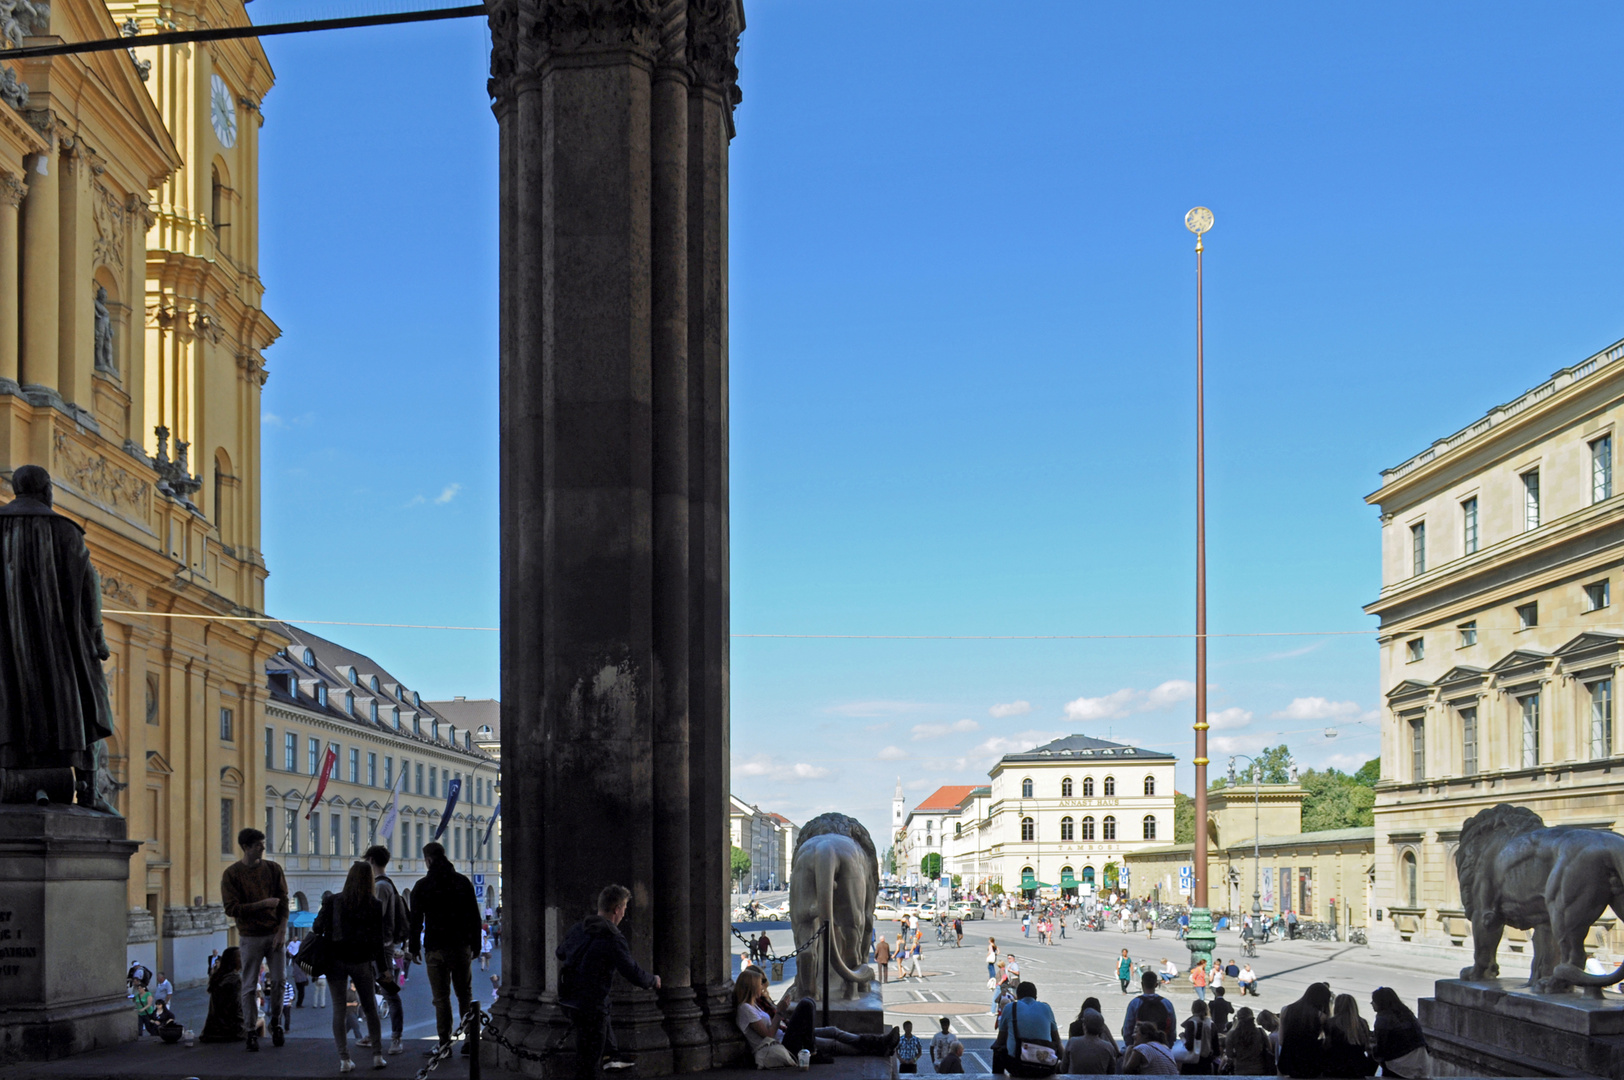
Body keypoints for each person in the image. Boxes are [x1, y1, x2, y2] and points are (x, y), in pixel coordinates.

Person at [558, 884, 660, 1080]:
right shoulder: (612, 937)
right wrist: (653, 980)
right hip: (591, 1005)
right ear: (617, 909)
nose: (624, 914)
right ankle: (609, 1056)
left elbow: (561, 952)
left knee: (585, 1051)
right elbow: (632, 971)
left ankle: (612, 1053)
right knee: (589, 1064)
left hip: (569, 999)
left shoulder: (578, 928)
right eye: (624, 909)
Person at [731, 967, 897, 1066]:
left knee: (832, 1030)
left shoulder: (755, 1005)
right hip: (782, 1045)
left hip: (785, 1035)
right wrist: (780, 1012)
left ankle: (880, 1043)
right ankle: (812, 1051)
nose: (763, 987)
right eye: (760, 983)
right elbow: (768, 1035)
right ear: (752, 986)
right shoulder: (745, 1009)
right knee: (808, 1008)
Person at [314, 861, 388, 1073]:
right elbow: (378, 942)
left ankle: (344, 1059)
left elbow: (317, 927)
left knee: (339, 1009)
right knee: (370, 1008)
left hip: (335, 961)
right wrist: (384, 969)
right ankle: (377, 1055)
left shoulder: (333, 901)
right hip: (361, 962)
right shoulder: (374, 905)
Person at [410, 841, 482, 1056]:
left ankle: (444, 1043)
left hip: (436, 948)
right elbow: (474, 917)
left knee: (441, 999)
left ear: (428, 860)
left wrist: (413, 947)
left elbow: (416, 921)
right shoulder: (462, 882)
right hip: (461, 947)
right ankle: (470, 1040)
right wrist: (476, 944)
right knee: (464, 995)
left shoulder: (422, 886)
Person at [220, 826, 289, 1051]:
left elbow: (284, 901)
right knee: (249, 985)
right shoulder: (232, 874)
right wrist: (263, 904)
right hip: (250, 937)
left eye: (262, 843)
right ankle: (250, 1029)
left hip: (274, 934)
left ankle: (276, 1022)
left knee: (279, 980)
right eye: (258, 844)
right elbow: (231, 909)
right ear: (246, 847)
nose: (262, 847)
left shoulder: (273, 869)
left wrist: (282, 930)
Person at [364, 845, 410, 1055]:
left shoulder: (381, 886)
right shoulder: (384, 884)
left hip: (381, 949)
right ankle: (374, 1034)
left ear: (371, 860)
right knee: (373, 991)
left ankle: (396, 1037)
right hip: (379, 947)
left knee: (388, 992)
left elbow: (374, 917)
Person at [993, 980, 1061, 1078]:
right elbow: (1057, 1039)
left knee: (997, 1048)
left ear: (1017, 996)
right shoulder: (1046, 1008)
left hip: (1018, 1065)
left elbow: (1000, 1039)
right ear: (1036, 997)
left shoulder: (1010, 1007)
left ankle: (996, 1077)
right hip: (1044, 1066)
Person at [1275, 982, 1333, 1079]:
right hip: (1310, 1064)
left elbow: (1281, 1041)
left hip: (1288, 1061)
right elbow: (1327, 1042)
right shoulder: (1321, 1016)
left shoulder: (1286, 1010)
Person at [1370, 987, 1430, 1079]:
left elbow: (1381, 1048)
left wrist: (1371, 1049)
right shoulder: (1407, 1014)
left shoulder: (1383, 1018)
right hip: (1422, 1061)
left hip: (1402, 1066)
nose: (1371, 1003)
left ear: (1380, 1003)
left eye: (1373, 1001)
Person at [1321, 994, 1376, 1078]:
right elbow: (1366, 1045)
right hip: (1358, 1067)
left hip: (1335, 1066)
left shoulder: (1330, 1023)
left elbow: (1327, 1045)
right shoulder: (1362, 1023)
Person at [1121, 970, 1177, 1048]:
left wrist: (1131, 1045)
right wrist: (1168, 1045)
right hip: (1161, 1044)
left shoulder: (1135, 1003)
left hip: (1140, 1046)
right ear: (1156, 985)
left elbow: (1128, 1027)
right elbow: (1172, 1028)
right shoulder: (1167, 1003)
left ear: (1142, 984)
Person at [201, 947, 244, 1043]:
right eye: (240, 956)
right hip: (230, 1029)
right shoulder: (235, 979)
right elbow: (236, 1008)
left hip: (212, 1028)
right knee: (260, 1022)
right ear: (233, 960)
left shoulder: (218, 977)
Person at [1062, 1007, 1120, 1074]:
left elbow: (1063, 1068)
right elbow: (1111, 1072)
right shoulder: (1108, 1047)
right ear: (1101, 1028)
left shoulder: (1072, 1042)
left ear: (1084, 1026)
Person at [1223, 1007, 1275, 1076]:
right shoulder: (1260, 1032)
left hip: (1240, 1070)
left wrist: (1233, 1026)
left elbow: (1229, 1054)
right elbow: (1270, 1049)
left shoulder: (1232, 1034)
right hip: (1259, 1069)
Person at [1177, 999, 1218, 1074]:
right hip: (1206, 1062)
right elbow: (1216, 1047)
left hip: (1191, 1062)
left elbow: (1189, 1045)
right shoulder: (1211, 1024)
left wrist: (1182, 1037)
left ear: (1193, 1009)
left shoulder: (1191, 1023)